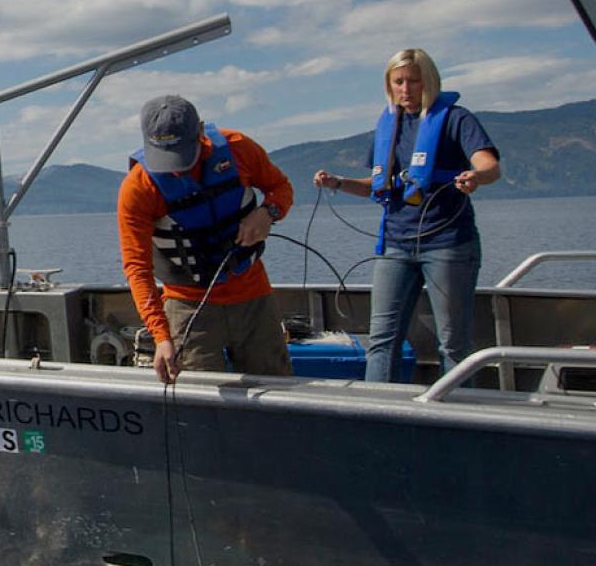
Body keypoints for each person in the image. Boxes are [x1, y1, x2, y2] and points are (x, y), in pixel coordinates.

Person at [313, 48, 501, 382]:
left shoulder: (457, 119)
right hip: (396, 245)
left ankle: (458, 419)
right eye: (398, 82)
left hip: (448, 244)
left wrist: (476, 176)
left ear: (429, 80)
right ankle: (378, 417)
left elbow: (489, 164)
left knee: (453, 345)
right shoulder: (389, 125)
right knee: (382, 341)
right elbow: (380, 183)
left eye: (413, 81)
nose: (406, 89)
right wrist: (338, 182)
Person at [118, 95, 294, 384]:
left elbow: (280, 187)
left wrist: (268, 212)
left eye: (183, 155)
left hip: (253, 297)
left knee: (277, 391)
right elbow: (137, 268)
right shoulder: (138, 188)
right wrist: (161, 336)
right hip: (188, 308)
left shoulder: (238, 149)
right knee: (200, 403)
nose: (176, 168)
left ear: (200, 133)